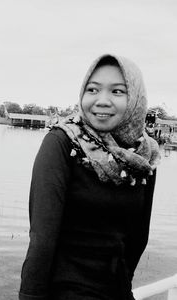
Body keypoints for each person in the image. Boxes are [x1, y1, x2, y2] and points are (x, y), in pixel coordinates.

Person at [19, 54, 161, 300]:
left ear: (136, 99)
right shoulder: (62, 143)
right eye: (92, 89)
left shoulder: (144, 154)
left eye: (117, 92)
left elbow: (139, 236)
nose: (102, 100)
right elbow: (42, 239)